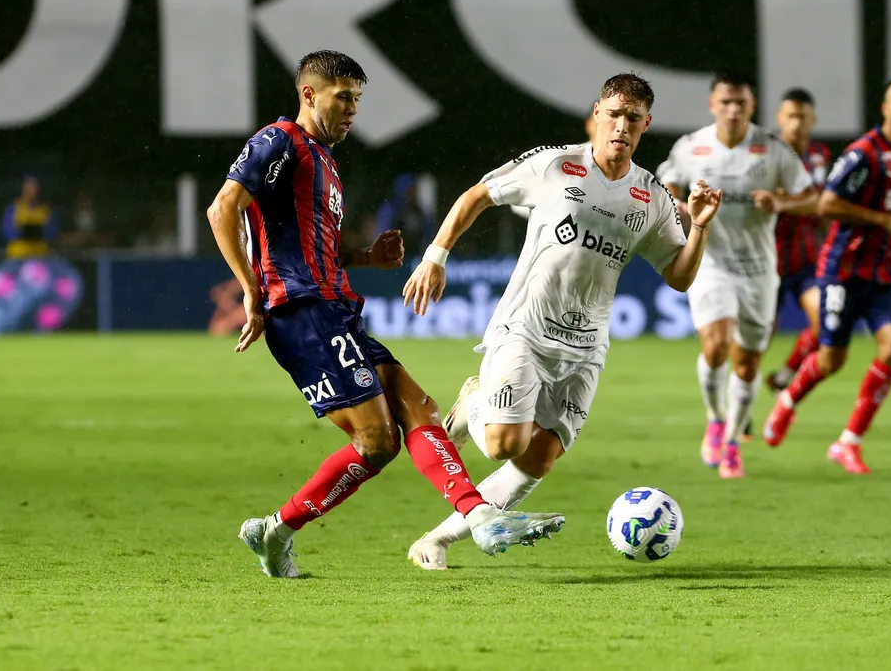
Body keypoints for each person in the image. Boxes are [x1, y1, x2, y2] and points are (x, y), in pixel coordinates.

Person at [206, 49, 565, 578]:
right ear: (309, 94)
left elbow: (312, 250)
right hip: (302, 315)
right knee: (377, 441)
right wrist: (251, 292)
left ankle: (476, 517)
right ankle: (282, 528)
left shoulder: (325, 163)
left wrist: (367, 258)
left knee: (418, 408)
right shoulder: (279, 141)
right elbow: (223, 208)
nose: (352, 109)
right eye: (342, 97)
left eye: (357, 99)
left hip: (334, 309)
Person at [401, 73, 722, 569]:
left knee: (536, 459)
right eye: (613, 114)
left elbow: (679, 276)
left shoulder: (651, 197)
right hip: (526, 328)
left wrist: (698, 225)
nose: (621, 126)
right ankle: (476, 401)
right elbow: (477, 195)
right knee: (503, 444)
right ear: (597, 114)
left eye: (632, 119)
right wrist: (435, 256)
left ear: (645, 125)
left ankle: (436, 541)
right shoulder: (555, 165)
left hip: (586, 346)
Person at [762, 76, 891, 474]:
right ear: (885, 107)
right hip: (843, 270)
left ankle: (849, 442)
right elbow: (828, 204)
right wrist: (884, 220)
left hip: (888, 271)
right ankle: (789, 399)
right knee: (831, 360)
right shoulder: (863, 154)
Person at [658, 74, 817, 479]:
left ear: (752, 106)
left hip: (760, 271)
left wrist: (779, 201)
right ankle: (715, 419)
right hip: (710, 262)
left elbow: (812, 197)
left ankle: (731, 442)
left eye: (740, 103)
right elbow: (665, 185)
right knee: (716, 345)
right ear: (713, 103)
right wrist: (680, 205)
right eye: (726, 101)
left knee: (746, 365)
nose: (733, 109)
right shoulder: (691, 146)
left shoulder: (773, 148)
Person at [765, 88, 833, 393]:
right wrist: (811, 202)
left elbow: (822, 208)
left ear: (812, 119)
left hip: (806, 258)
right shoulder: (764, 154)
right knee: (759, 341)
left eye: (802, 117)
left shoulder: (820, 155)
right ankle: (741, 408)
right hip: (768, 261)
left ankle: (785, 375)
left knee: (826, 322)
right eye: (790, 116)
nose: (796, 123)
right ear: (780, 118)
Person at [2, 176, 57, 258]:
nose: (32, 190)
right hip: (18, 257)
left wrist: (37, 231)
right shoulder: (14, 208)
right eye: (29, 186)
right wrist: (25, 231)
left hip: (40, 257)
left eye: (34, 186)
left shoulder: (45, 210)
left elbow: (52, 233)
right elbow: (8, 233)